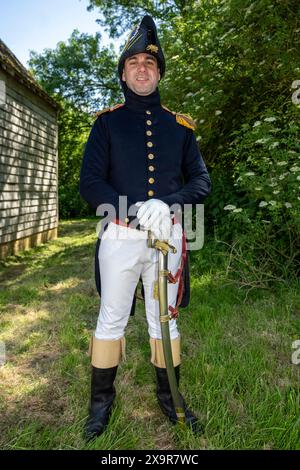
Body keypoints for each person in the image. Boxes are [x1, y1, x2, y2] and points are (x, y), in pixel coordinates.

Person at [79, 15, 211, 441]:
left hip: (169, 236)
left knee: (165, 320)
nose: (142, 68)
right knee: (111, 318)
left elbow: (201, 182)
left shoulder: (181, 126)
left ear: (159, 73)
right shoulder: (106, 124)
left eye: (149, 64)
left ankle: (171, 399)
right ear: (123, 73)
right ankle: (100, 404)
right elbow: (90, 182)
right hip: (119, 234)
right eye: (134, 62)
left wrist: (168, 203)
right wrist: (131, 211)